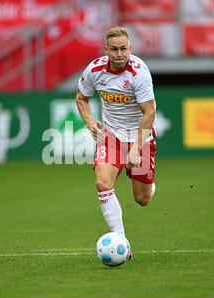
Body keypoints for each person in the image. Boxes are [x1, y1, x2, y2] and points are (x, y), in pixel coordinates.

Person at [75, 26, 157, 258]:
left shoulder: (139, 72)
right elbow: (82, 98)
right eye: (114, 50)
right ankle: (120, 238)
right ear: (106, 50)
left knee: (142, 199)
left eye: (124, 49)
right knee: (102, 182)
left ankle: (149, 185)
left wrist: (136, 150)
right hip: (111, 136)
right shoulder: (95, 70)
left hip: (140, 136)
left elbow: (149, 113)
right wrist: (91, 122)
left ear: (130, 48)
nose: (120, 54)